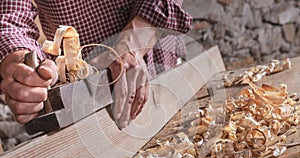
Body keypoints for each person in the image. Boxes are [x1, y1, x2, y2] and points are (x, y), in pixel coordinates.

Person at [0, 0, 192, 129]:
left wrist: (131, 45)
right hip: (89, 96)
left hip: (159, 58)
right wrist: (22, 68)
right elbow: (12, 18)